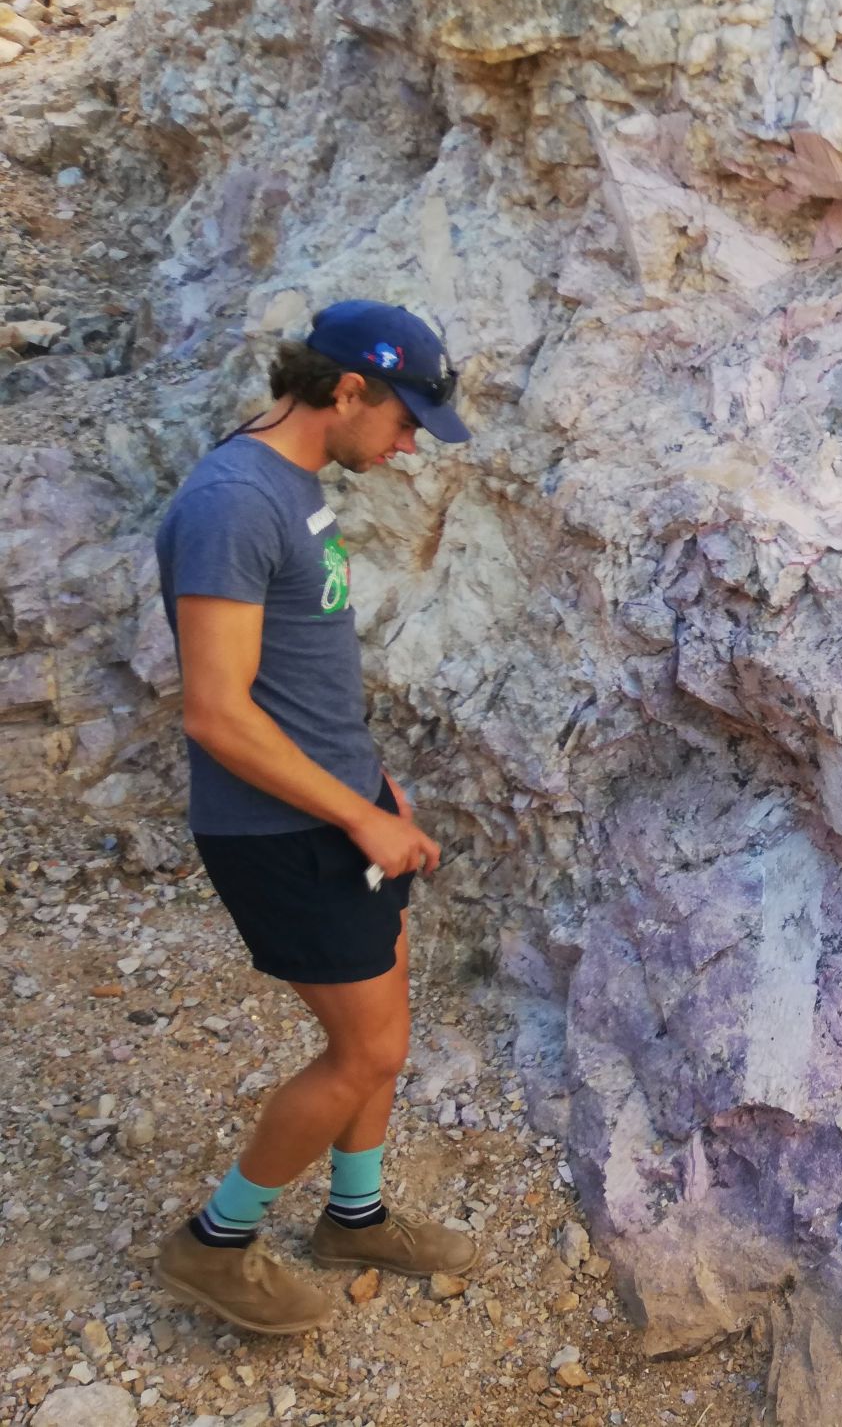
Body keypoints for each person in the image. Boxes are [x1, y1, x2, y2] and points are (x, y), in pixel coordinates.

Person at [150, 301, 477, 1334]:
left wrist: (373, 788)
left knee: (384, 1034)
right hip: (281, 833)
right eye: (405, 420)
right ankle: (215, 1243)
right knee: (362, 1053)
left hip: (337, 807)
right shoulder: (234, 503)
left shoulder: (289, 482)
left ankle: (354, 1218)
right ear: (346, 390)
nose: (409, 444)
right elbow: (217, 712)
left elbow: (300, 672)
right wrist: (356, 816)